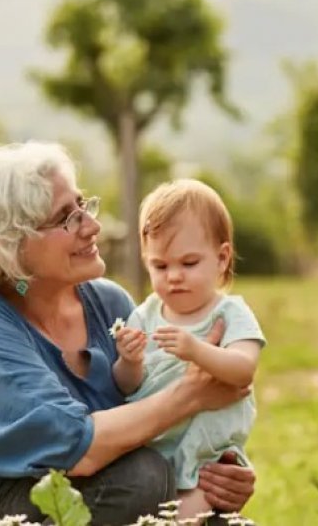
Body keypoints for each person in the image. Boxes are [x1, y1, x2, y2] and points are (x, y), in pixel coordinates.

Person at [0, 142, 255, 523]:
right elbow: (77, 450)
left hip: (103, 489)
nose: (92, 226)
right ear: (10, 244)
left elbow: (149, 422)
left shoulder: (109, 304)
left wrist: (218, 472)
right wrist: (191, 394)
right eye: (66, 218)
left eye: (83, 205)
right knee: (142, 478)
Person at [113, 179, 265, 521]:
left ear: (221, 258)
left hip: (206, 454)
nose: (174, 277)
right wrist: (129, 360)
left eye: (189, 263)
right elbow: (127, 386)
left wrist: (197, 350)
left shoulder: (229, 313)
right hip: (152, 445)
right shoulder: (145, 314)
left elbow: (243, 369)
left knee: (183, 517)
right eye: (161, 266)